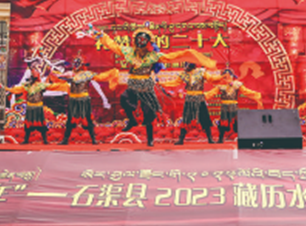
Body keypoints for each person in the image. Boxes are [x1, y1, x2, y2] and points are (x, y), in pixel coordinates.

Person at [87, 24, 217, 147]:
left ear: (149, 43)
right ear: (135, 42)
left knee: (148, 112)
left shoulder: (153, 56)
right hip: (133, 84)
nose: (141, 43)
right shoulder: (129, 52)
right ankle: (132, 119)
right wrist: (99, 35)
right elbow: (112, 45)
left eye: (144, 41)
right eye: (139, 40)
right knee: (124, 98)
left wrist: (188, 54)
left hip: (146, 85)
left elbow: (171, 57)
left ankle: (150, 139)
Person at [53, 54, 117, 145]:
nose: (76, 65)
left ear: (81, 64)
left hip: (84, 100)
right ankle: (65, 140)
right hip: (73, 100)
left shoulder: (87, 74)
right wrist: (53, 71)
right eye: (74, 63)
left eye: (78, 63)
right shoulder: (70, 73)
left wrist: (111, 73)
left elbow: (100, 77)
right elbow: (59, 76)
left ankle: (93, 139)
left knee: (87, 119)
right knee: (70, 119)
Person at [161, 62, 222, 145]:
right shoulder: (184, 74)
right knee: (186, 119)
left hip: (199, 98)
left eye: (188, 66)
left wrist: (222, 76)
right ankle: (181, 139)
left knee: (204, 118)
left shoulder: (201, 72)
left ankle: (210, 139)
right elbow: (175, 82)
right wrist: (162, 83)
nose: (186, 68)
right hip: (189, 98)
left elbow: (211, 79)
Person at [3, 71, 66, 145]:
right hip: (30, 107)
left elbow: (53, 87)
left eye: (35, 76)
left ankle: (45, 140)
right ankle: (26, 140)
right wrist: (6, 88)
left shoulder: (41, 85)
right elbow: (17, 90)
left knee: (41, 124)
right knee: (28, 124)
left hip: (38, 108)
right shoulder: (28, 86)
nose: (34, 77)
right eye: (33, 76)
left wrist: (65, 86)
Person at [204, 68, 263, 143]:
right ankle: (220, 139)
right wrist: (203, 96)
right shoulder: (221, 85)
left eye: (229, 76)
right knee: (223, 123)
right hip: (224, 106)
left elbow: (246, 91)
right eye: (225, 76)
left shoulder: (237, 84)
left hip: (234, 106)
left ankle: (242, 138)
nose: (227, 77)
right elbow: (211, 93)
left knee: (237, 123)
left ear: (232, 76)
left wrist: (256, 95)